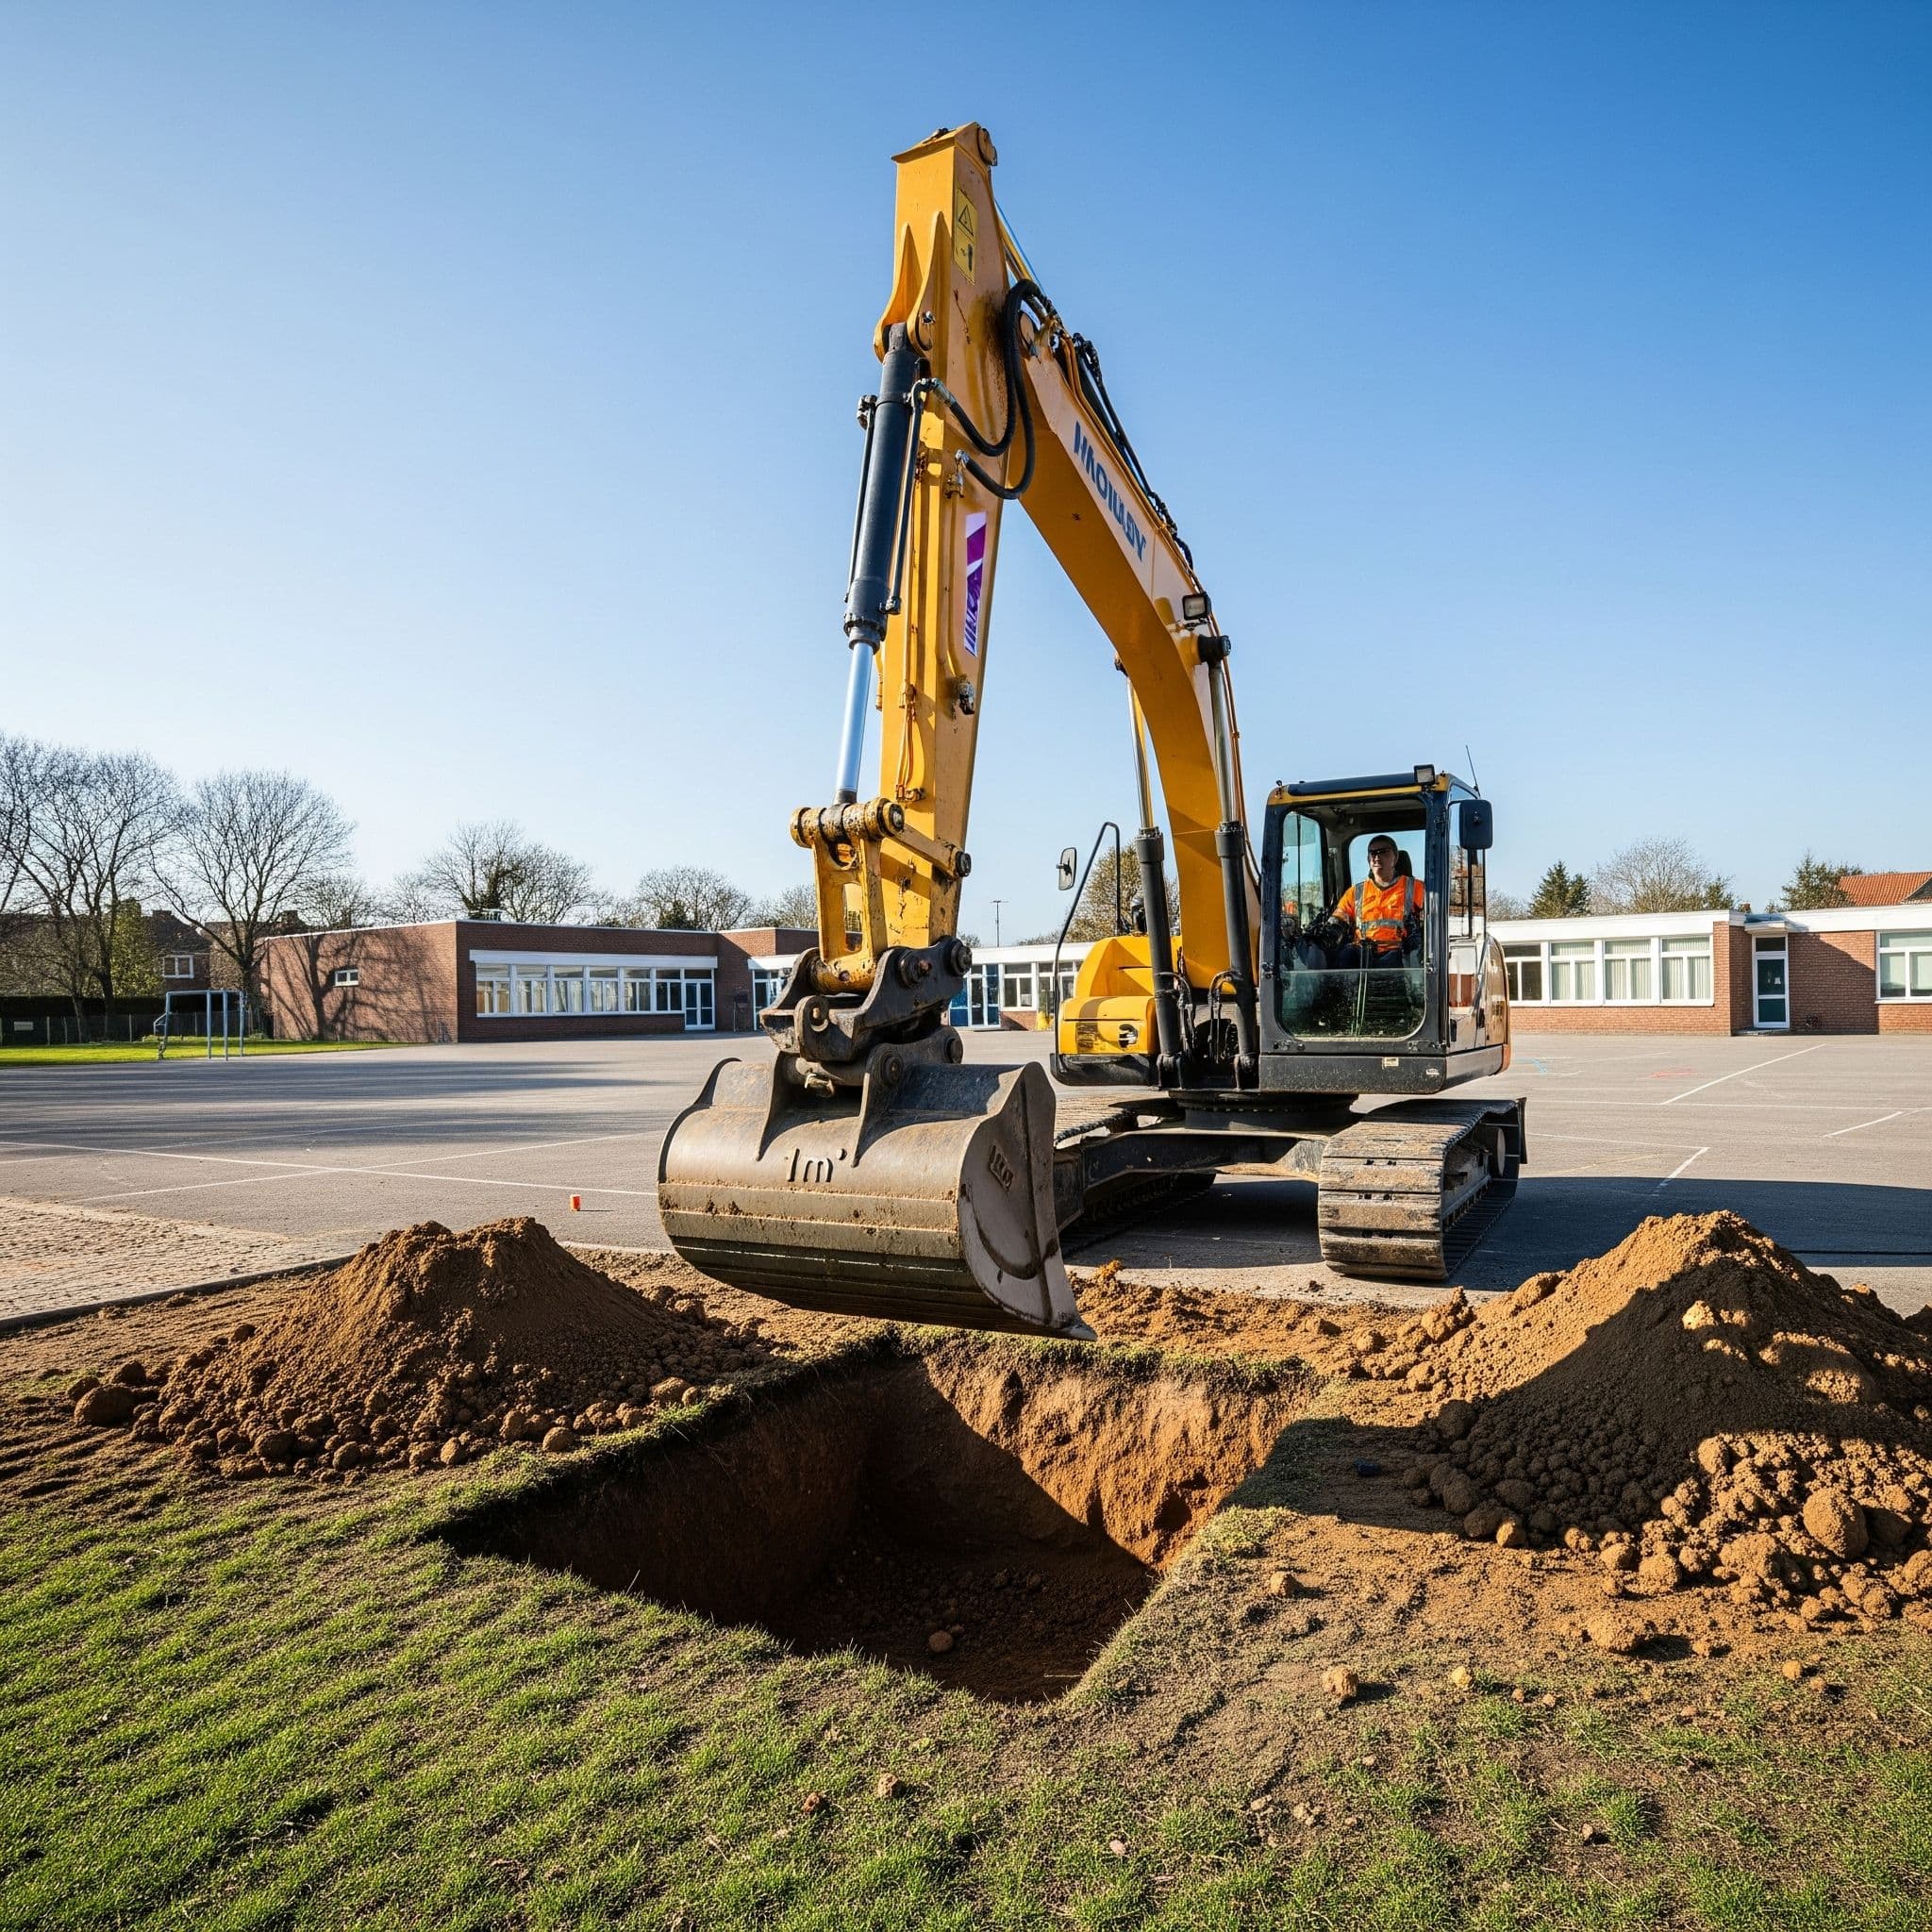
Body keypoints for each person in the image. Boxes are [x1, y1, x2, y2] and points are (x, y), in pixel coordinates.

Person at [1334, 836, 1424, 964]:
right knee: (1345, 956)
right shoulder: (1355, 892)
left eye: (1383, 852)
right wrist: (1328, 934)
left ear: (1396, 857)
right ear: (1368, 859)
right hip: (1362, 954)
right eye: (1373, 853)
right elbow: (1337, 920)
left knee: (1392, 959)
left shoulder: (1416, 888)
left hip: (1400, 956)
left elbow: (1433, 921)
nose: (1377, 857)